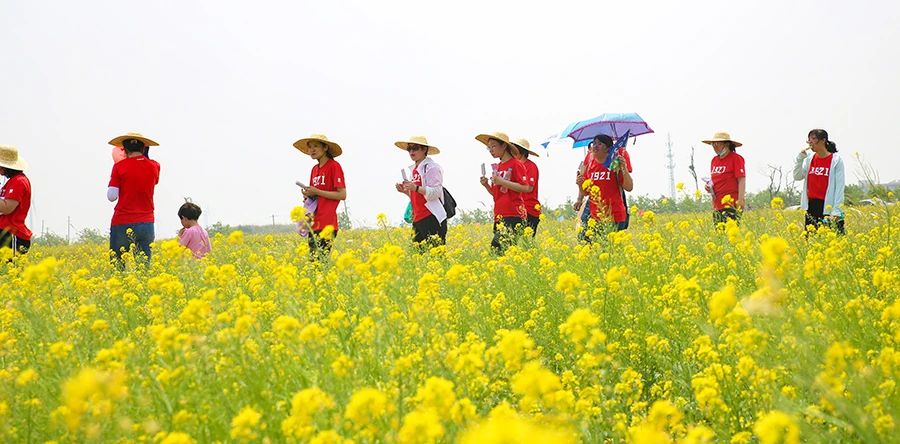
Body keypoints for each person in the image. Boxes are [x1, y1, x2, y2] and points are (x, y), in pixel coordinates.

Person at [107, 132, 160, 267]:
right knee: (143, 267)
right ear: (143, 148)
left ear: (124, 149)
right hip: (146, 222)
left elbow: (111, 196)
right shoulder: (154, 166)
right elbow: (153, 182)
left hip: (122, 221)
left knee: (118, 266)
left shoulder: (119, 167)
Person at [293, 134, 347, 260]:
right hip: (313, 223)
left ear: (325, 148)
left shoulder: (334, 166)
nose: (312, 150)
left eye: (316, 146)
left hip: (327, 224)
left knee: (320, 262)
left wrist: (317, 191)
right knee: (314, 263)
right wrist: (308, 196)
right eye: (310, 147)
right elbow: (316, 195)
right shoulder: (314, 169)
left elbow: (342, 194)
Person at [477, 132, 529, 254]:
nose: (490, 150)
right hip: (499, 214)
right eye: (489, 147)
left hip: (513, 213)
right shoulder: (498, 167)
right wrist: (486, 185)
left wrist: (502, 182)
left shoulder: (516, 164)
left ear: (504, 146)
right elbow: (496, 194)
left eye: (493, 146)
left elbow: (525, 187)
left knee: (498, 249)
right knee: (501, 252)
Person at [394, 136, 447, 249]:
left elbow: (437, 192)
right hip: (417, 218)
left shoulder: (431, 167)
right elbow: (417, 195)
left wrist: (416, 188)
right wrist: (405, 191)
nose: (411, 151)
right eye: (409, 149)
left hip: (431, 217)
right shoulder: (414, 169)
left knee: (436, 256)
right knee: (418, 257)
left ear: (424, 150)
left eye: (415, 148)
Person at [580, 135, 633, 242]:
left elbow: (629, 187)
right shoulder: (590, 165)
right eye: (594, 143)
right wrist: (579, 185)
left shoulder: (614, 164)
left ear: (608, 148)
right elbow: (585, 192)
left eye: (599, 144)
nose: (595, 146)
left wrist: (623, 168)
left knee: (612, 251)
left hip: (615, 215)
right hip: (595, 217)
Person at [794, 129, 845, 234]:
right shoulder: (809, 159)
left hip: (829, 207)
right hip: (812, 207)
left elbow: (840, 187)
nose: (810, 142)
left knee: (832, 242)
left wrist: (836, 211)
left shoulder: (836, 161)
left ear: (823, 140)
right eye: (809, 140)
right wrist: (799, 159)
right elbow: (797, 176)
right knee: (811, 242)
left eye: (813, 139)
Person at [702, 132, 745, 224]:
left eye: (717, 143)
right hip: (717, 205)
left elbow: (741, 179)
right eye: (713, 144)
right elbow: (715, 180)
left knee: (730, 234)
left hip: (731, 204)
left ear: (727, 144)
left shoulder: (736, 158)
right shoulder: (714, 160)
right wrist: (708, 187)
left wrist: (740, 200)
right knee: (720, 236)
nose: (714, 146)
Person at [0, 145, 32, 256]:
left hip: (12, 235)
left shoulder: (19, 181)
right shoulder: (11, 182)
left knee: (9, 271)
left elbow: (7, 207)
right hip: (4, 232)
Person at [511, 138, 541, 236]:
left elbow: (529, 188)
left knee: (526, 242)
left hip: (529, 209)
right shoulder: (515, 166)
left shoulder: (530, 166)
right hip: (516, 209)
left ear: (521, 151)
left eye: (514, 149)